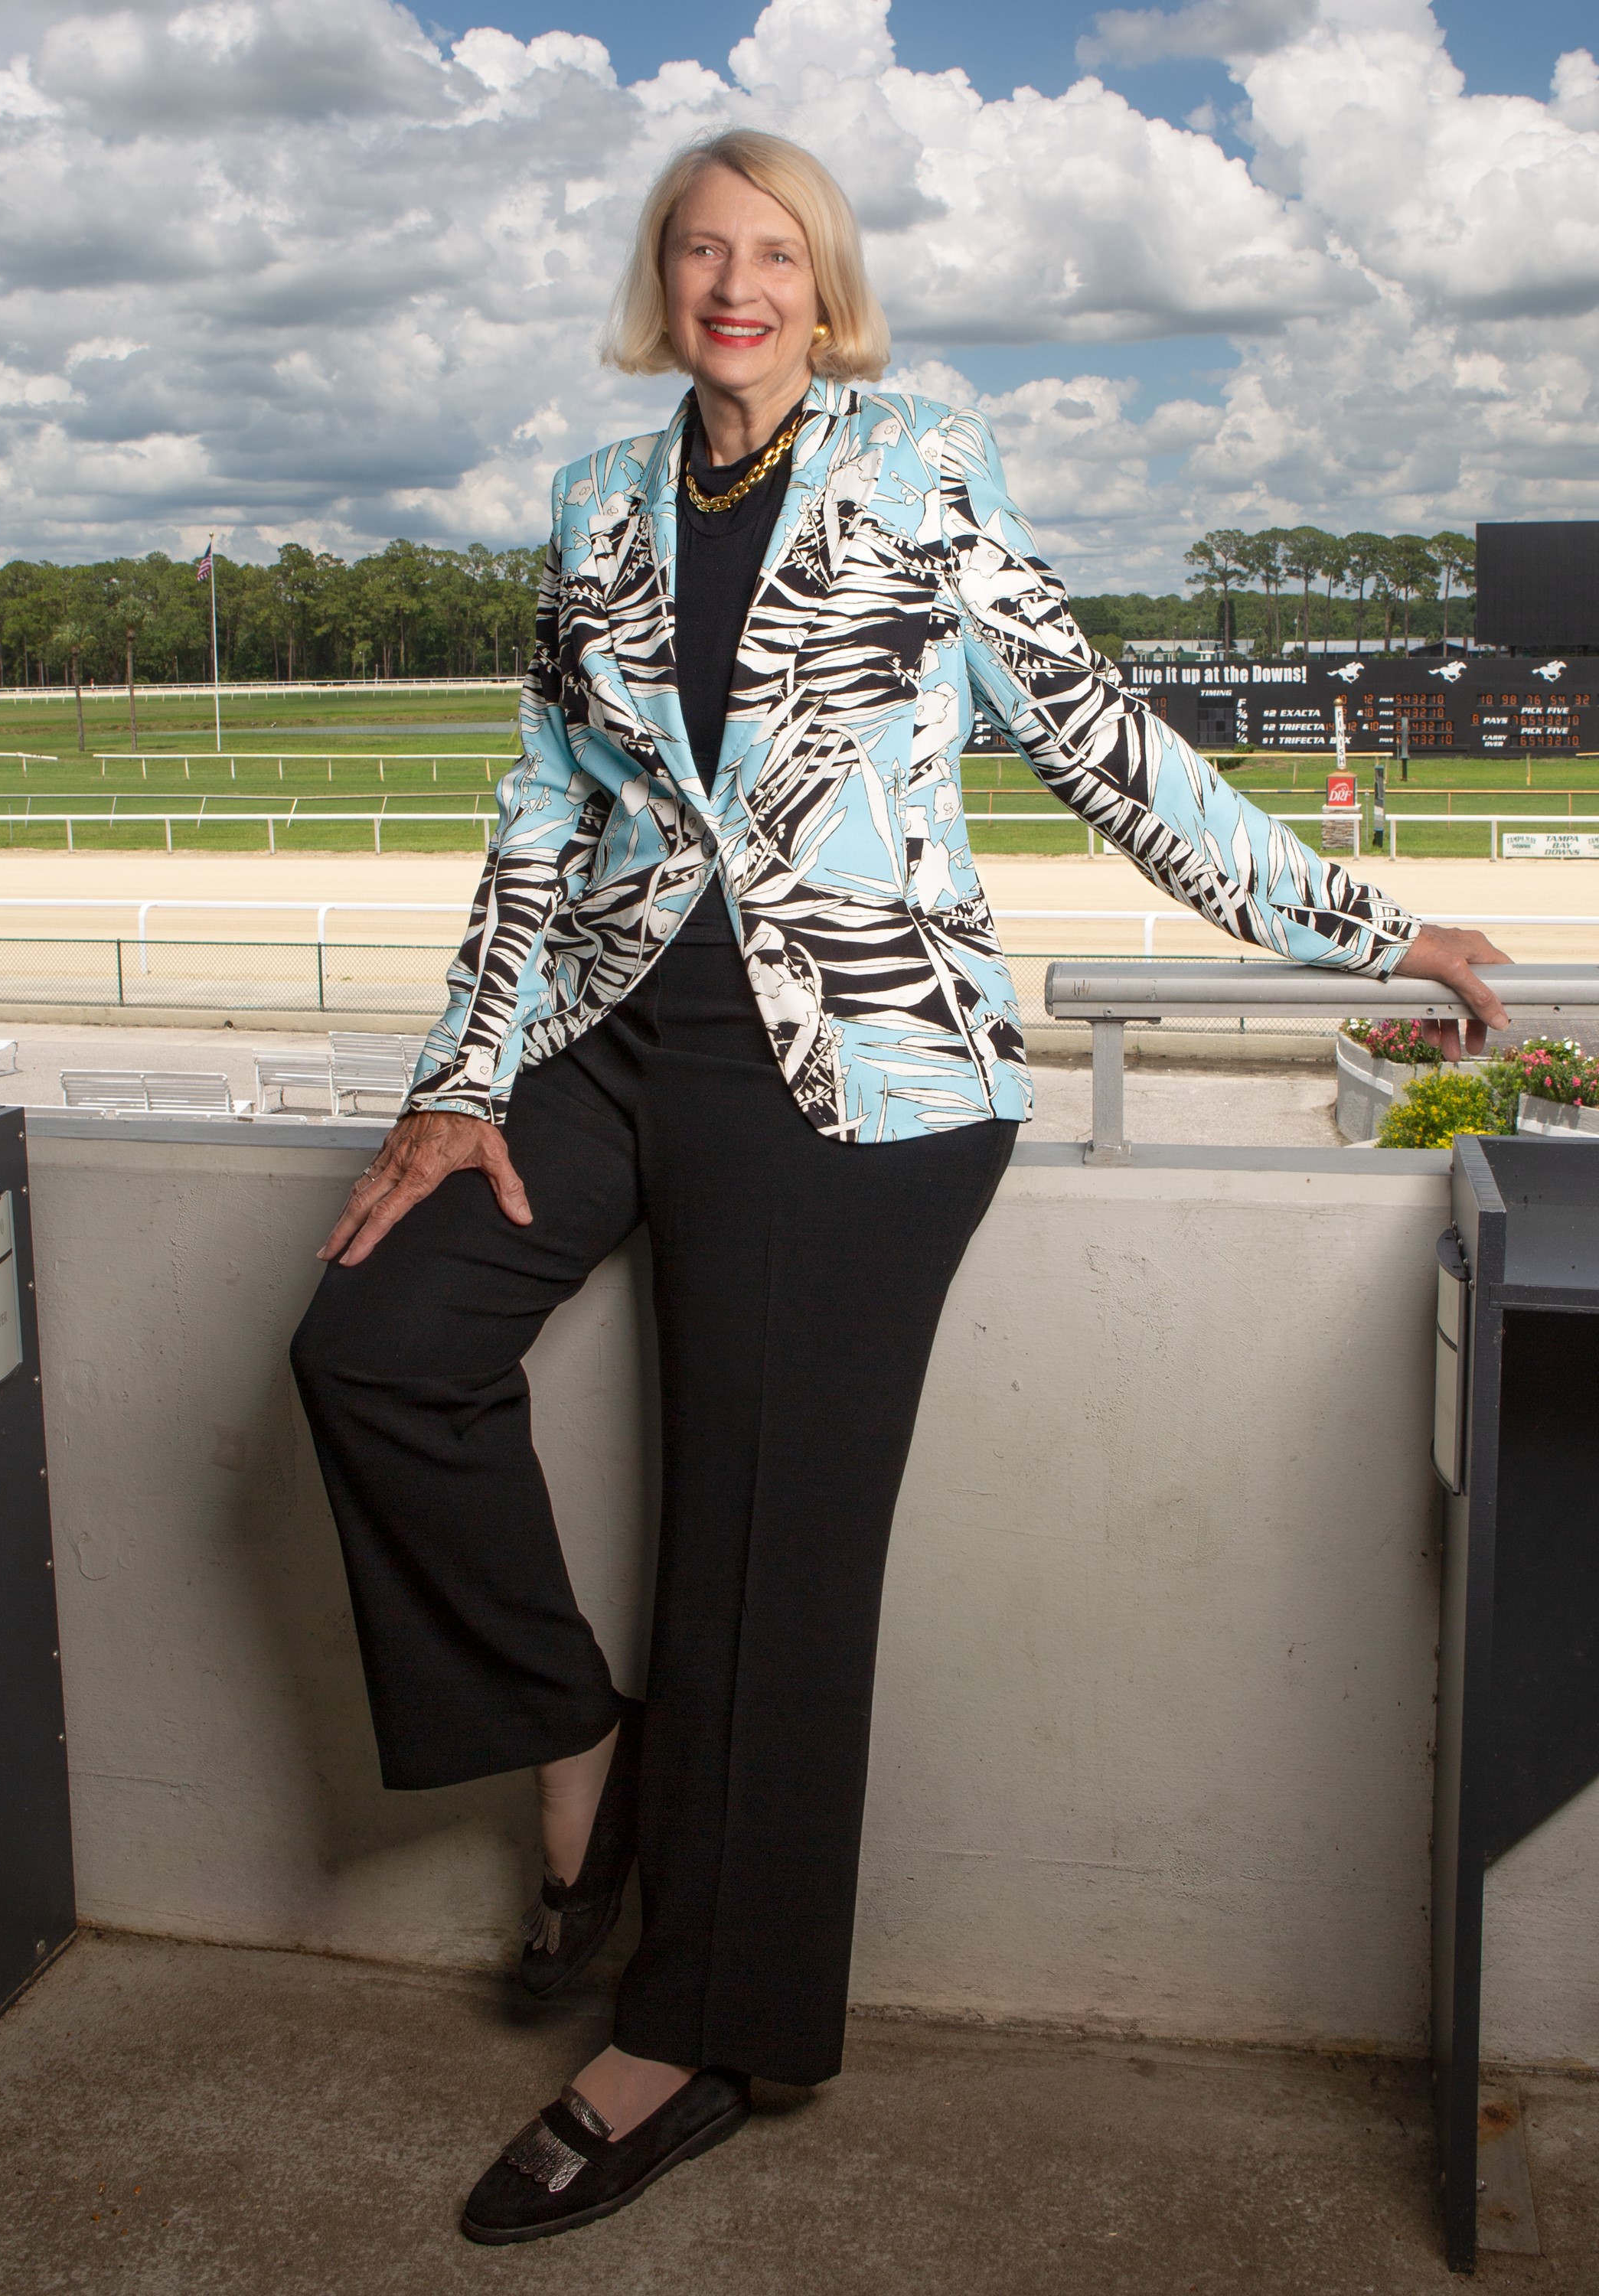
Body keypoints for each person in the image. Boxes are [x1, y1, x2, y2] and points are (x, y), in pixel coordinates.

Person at [289, 128, 1509, 2246]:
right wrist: (456, 1074)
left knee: (760, 1556)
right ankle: (575, 1734)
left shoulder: (920, 461)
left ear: (823, 285)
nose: (733, 284)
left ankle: (696, 2034)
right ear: (662, 280)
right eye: (699, 249)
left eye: (773, 254)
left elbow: (1095, 730)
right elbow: (539, 807)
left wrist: (1360, 922)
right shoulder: (596, 504)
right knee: (374, 1343)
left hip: (860, 1068)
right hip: (607, 1036)